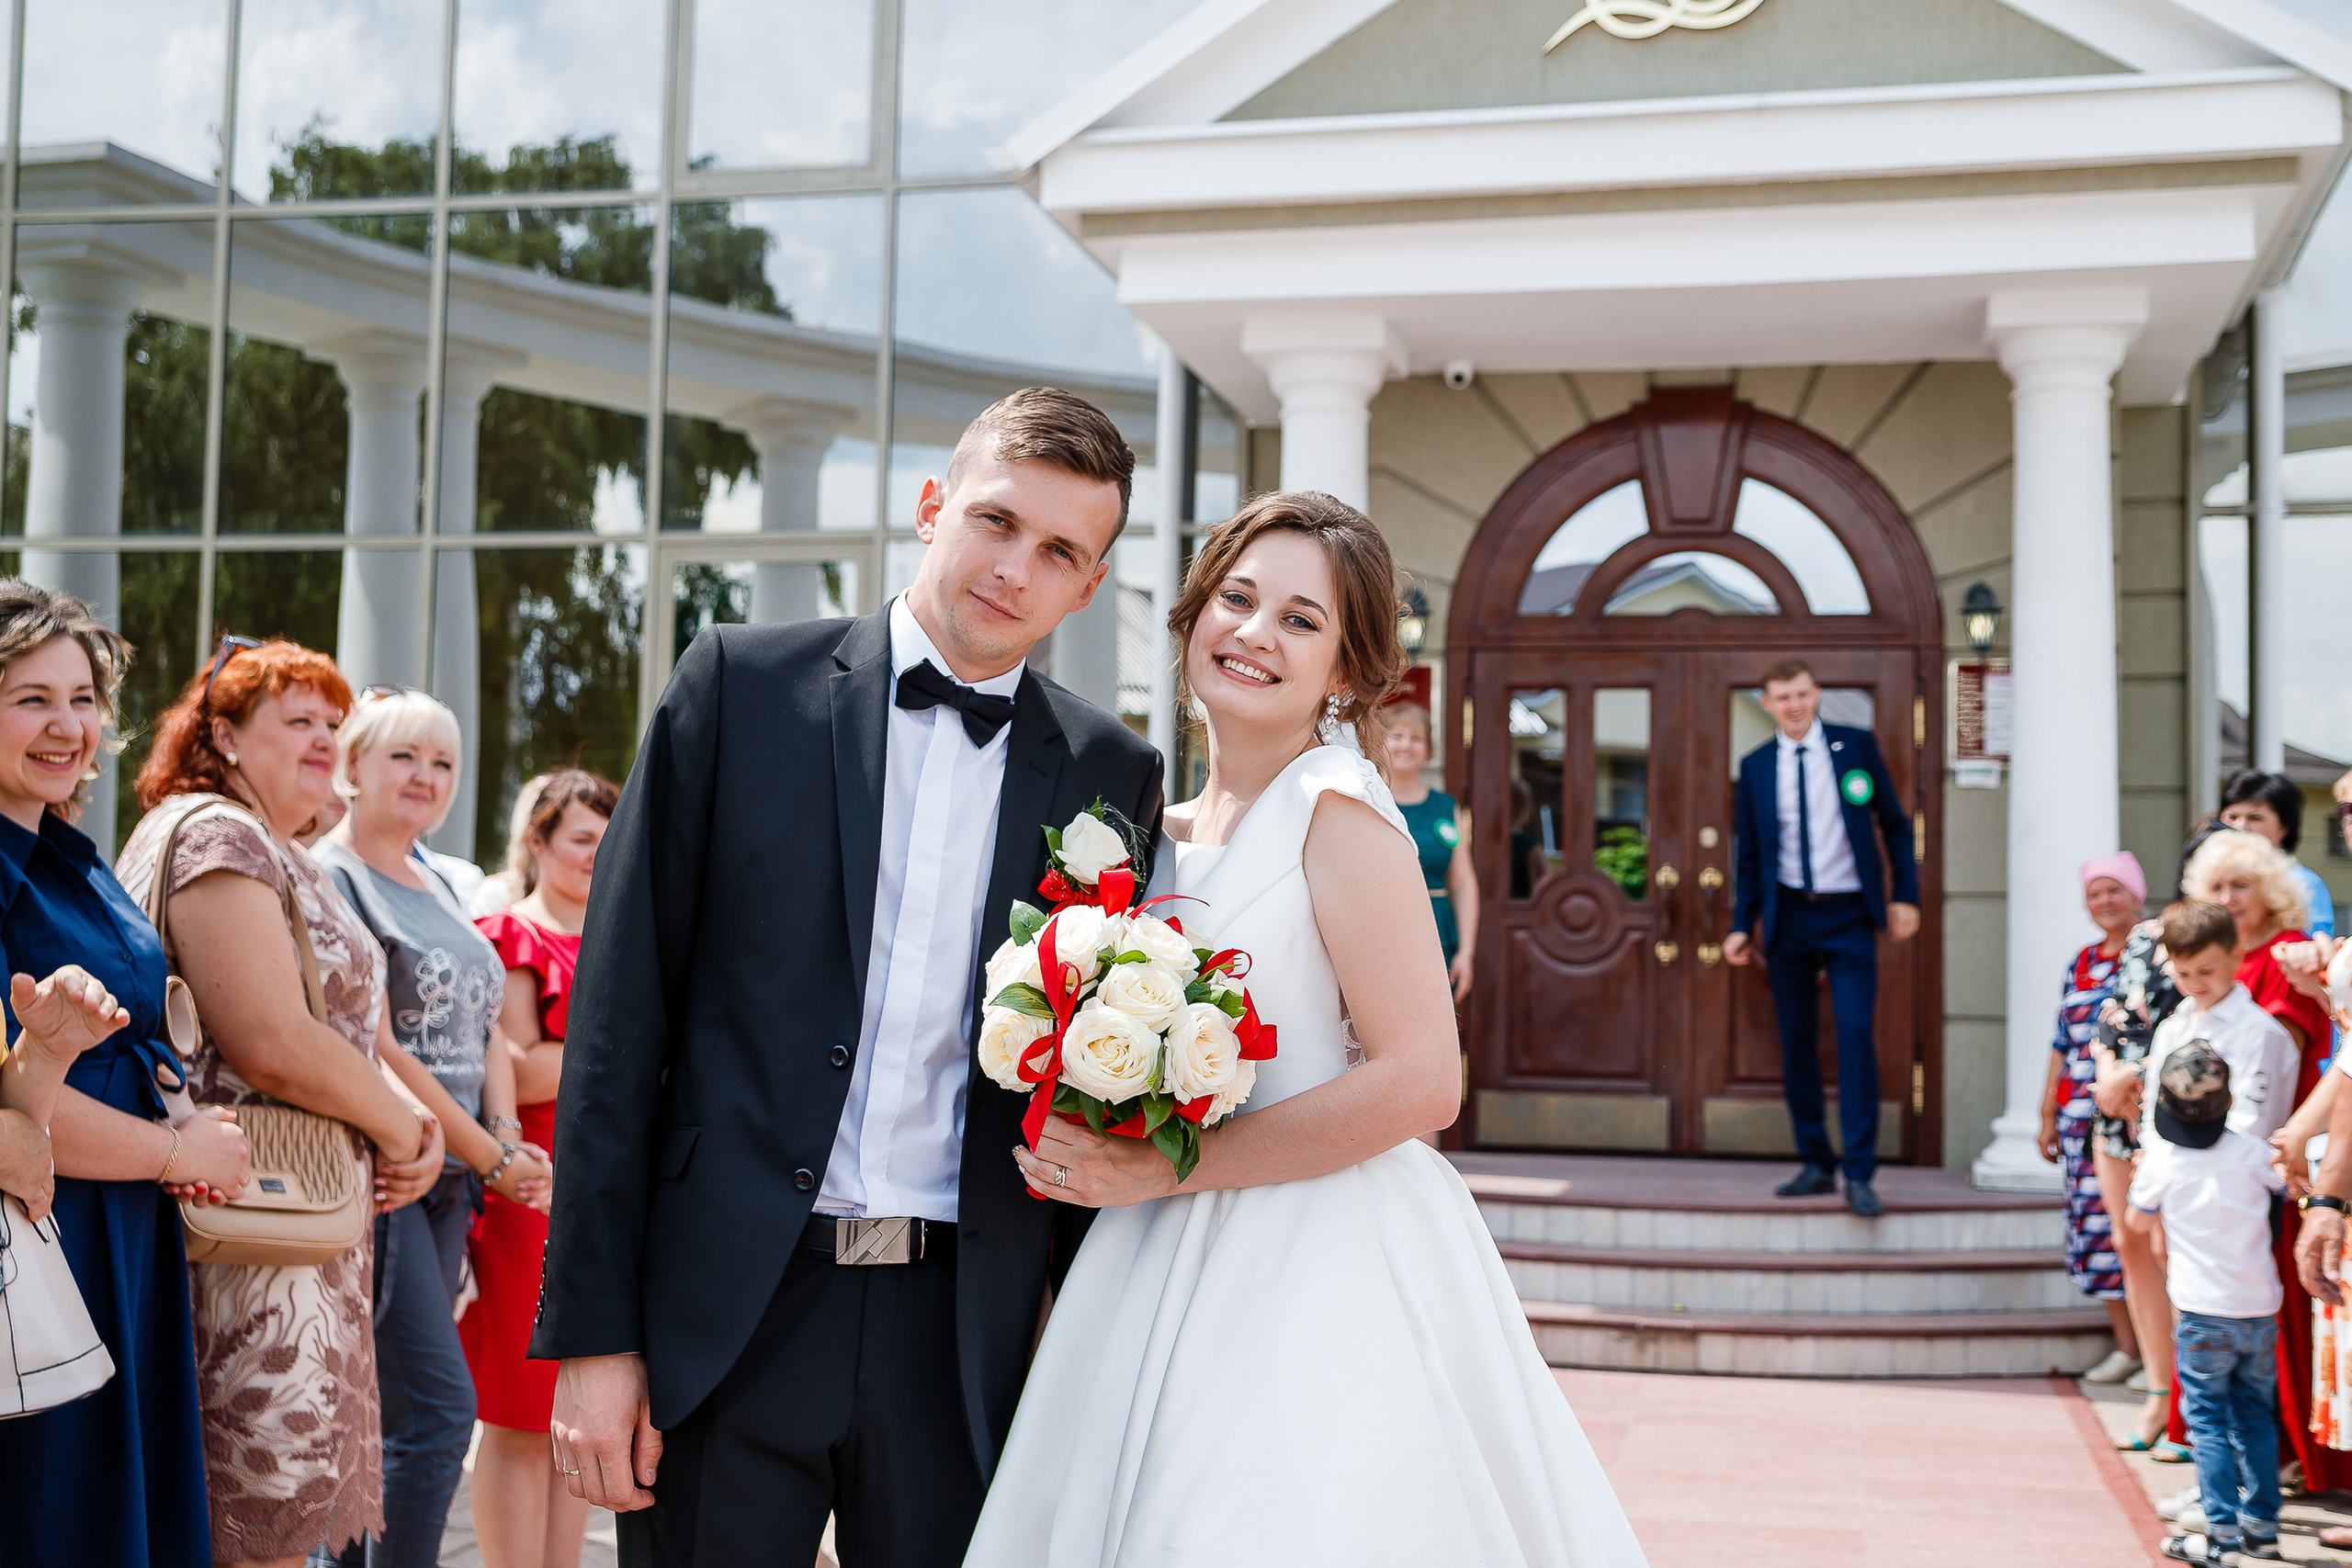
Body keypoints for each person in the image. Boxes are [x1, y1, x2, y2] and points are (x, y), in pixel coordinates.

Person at [539, 388, 1165, 1567]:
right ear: (932, 507)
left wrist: (1088, 1368)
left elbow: (1091, 1083)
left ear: (1087, 587)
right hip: (731, 1307)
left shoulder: (1109, 769)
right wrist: (595, 1340)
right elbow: (620, 1023)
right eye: (995, 522)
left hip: (964, 1336)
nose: (1014, 569)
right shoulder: (735, 687)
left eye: (1059, 553)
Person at [963, 493, 1646, 1565]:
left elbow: (1425, 1081)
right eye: (1236, 599)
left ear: (1346, 672)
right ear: (1192, 616)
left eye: (1300, 620)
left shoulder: (1340, 811)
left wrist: (1166, 1173)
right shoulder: (1152, 829)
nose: (1253, 633)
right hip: (1145, 1244)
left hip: (1310, 1246)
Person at [116, 637, 448, 1568]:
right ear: (222, 735)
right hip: (251, 1236)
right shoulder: (219, 834)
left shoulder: (266, 843)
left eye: (334, 726)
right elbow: (268, 1038)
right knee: (246, 1534)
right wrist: (400, 1127)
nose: (323, 742)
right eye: (298, 722)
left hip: (285, 1229)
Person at [0, 582, 250, 1567]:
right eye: (30, 698)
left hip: (122, 1235)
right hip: (48, 1234)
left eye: (82, 697)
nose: (68, 726)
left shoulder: (66, 852)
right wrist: (172, 1149)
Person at [313, 688, 553, 1568]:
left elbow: (487, 1024)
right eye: (404, 756)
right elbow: (373, 1044)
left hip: (453, 1174)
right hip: (383, 1168)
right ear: (352, 767)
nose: (425, 776)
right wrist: (493, 1155)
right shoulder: (331, 876)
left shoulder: (447, 879)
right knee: (440, 1408)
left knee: (383, 1412)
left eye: (443, 761)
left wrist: (496, 1132)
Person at [461, 768, 616, 1568]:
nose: (596, 854)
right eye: (580, 838)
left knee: (571, 1404)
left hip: (607, 1189)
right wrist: (622, 1049)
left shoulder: (621, 934)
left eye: (605, 839)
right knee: (521, 1410)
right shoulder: (512, 932)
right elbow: (517, 1071)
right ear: (538, 840)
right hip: (531, 1183)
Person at [1723, 659, 1919, 1217]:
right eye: (1782, 696)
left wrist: (1904, 896)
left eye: (1803, 694)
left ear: (1817, 695)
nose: (1794, 704)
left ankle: (1859, 1172)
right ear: (1767, 702)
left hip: (1850, 915)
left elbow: (1895, 825)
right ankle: (1815, 1161)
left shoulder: (1854, 747)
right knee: (1798, 1043)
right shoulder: (1757, 766)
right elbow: (1751, 856)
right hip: (1790, 919)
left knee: (1856, 1037)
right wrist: (1742, 924)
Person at [2124, 1037, 2289, 1567]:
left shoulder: (2164, 1161)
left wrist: (2141, 1178)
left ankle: (2220, 1539)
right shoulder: (2250, 1151)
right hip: (2259, 1305)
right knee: (2256, 1418)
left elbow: (2135, 1222)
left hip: (2200, 1313)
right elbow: (2284, 1185)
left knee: (2209, 1424)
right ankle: (2262, 1528)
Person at [2038, 852, 2143, 1386]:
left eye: (2115, 891)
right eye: (2095, 893)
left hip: (2131, 1121)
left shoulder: (2151, 953)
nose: (2105, 902)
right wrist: (2046, 1113)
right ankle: (2127, 1347)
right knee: (2096, 1234)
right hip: (2078, 1124)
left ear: (2136, 895)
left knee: (2135, 1231)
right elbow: (2062, 1042)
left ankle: (2157, 1349)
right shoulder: (2079, 962)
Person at [1380, 701, 1476, 999]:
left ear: (1428, 748)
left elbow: (1462, 882)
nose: (1406, 745)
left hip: (1437, 930)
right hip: (1379, 927)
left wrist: (1467, 952)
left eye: (1416, 738)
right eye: (1397, 736)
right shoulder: (1364, 802)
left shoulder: (1445, 807)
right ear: (1379, 742)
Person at [2219, 769, 2335, 940]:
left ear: (2284, 827)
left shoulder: (2303, 884)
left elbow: (2313, 948)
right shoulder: (2208, 877)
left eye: (2255, 818)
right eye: (2232, 817)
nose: (2240, 826)